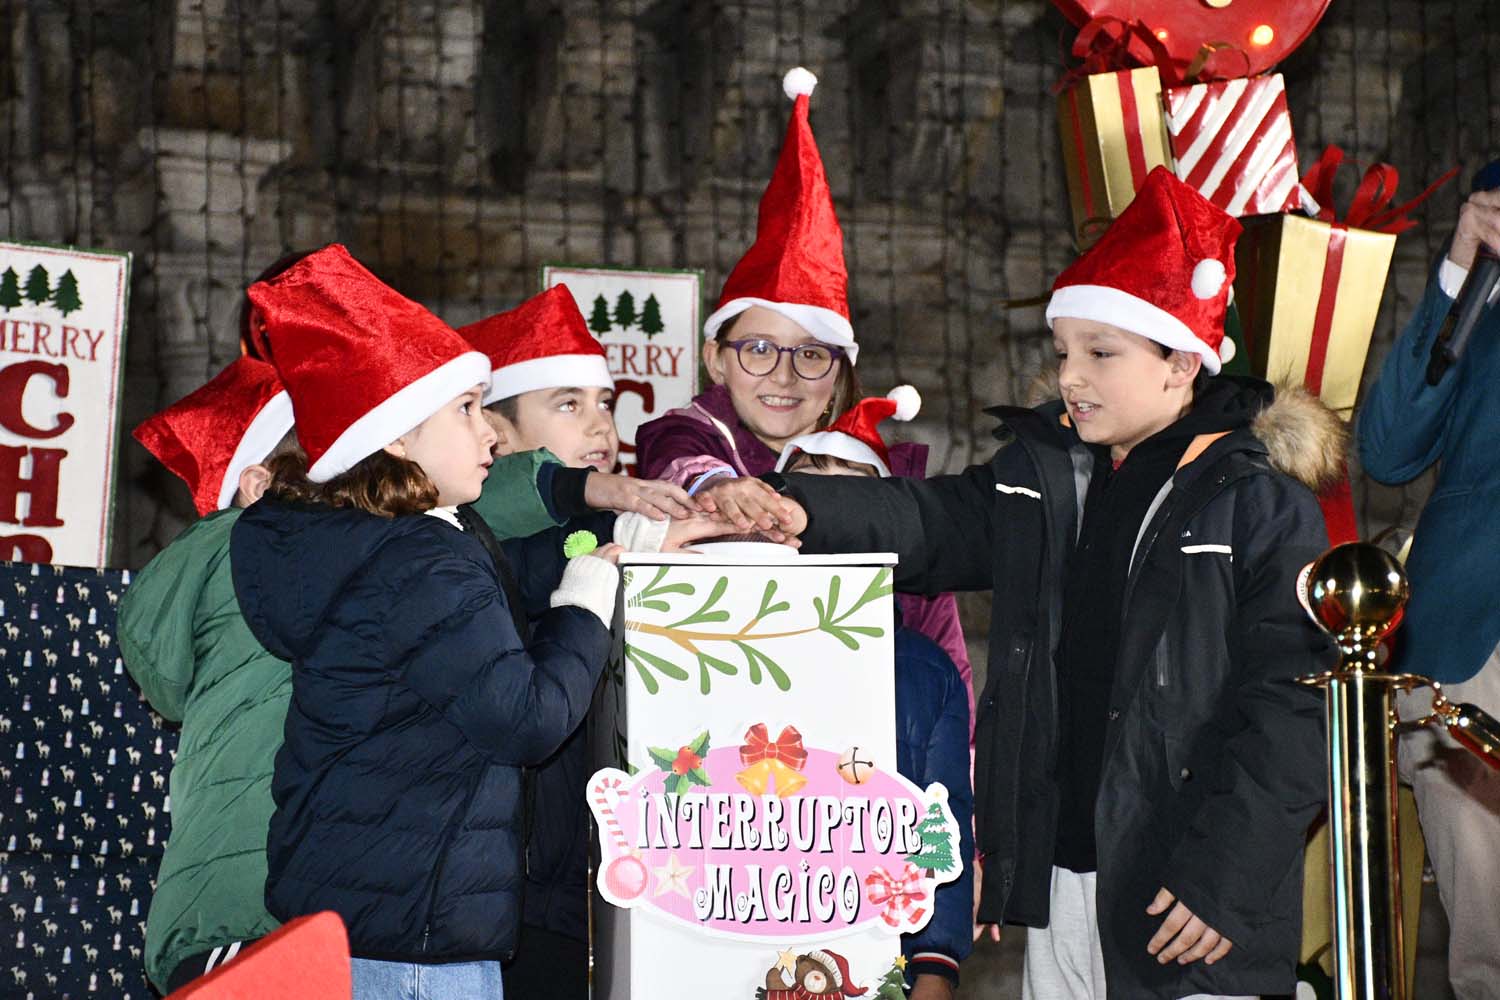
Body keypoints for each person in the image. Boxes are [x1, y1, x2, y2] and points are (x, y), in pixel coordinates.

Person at [767, 168, 1340, 1000]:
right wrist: (791, 508)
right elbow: (930, 522)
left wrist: (1225, 877)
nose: (1070, 377)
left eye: (1101, 354)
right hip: (1063, 885)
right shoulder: (1046, 477)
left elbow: (1293, 706)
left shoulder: (1262, 509)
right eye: (1064, 351)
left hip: (1191, 894)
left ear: (1182, 363)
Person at [227, 244, 701, 998]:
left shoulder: (381, 542)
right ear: (394, 435)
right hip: (414, 943)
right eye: (467, 410)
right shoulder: (420, 558)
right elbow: (527, 719)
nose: (488, 435)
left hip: (356, 925)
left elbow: (503, 588)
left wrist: (624, 546)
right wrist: (586, 603)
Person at [633, 65, 973, 707]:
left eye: (811, 355)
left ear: (841, 371)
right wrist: (721, 489)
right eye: (758, 349)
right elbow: (678, 464)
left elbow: (945, 659)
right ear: (716, 357)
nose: (785, 375)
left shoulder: (884, 481)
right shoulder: (689, 436)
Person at [457, 284, 703, 996]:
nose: (601, 427)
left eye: (606, 406)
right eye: (568, 404)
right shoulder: (472, 540)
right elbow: (534, 553)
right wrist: (623, 527)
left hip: (592, 884)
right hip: (516, 892)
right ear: (494, 436)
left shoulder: (594, 532)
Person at [776, 388, 974, 999]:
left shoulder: (925, 672)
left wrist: (936, 963)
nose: (832, 523)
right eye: (812, 497)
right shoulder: (706, 654)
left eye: (854, 502)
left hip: (871, 956)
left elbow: (944, 826)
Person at [1357, 163, 1500, 1000]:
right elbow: (1387, 449)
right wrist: (1457, 272)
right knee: (1485, 949)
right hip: (1470, 645)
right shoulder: (1480, 300)